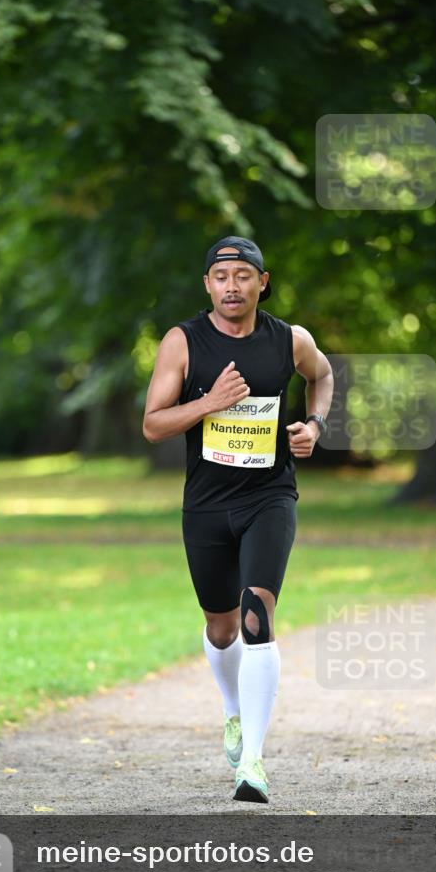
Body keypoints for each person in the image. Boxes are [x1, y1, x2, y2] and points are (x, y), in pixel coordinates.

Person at [142, 236, 333, 803]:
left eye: (243, 275)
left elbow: (322, 377)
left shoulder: (289, 340)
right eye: (221, 275)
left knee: (256, 617)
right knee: (222, 628)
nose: (232, 285)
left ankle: (253, 761)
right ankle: (232, 711)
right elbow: (153, 424)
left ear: (261, 282)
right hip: (205, 506)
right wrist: (210, 402)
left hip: (269, 497)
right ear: (208, 285)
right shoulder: (183, 341)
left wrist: (314, 427)